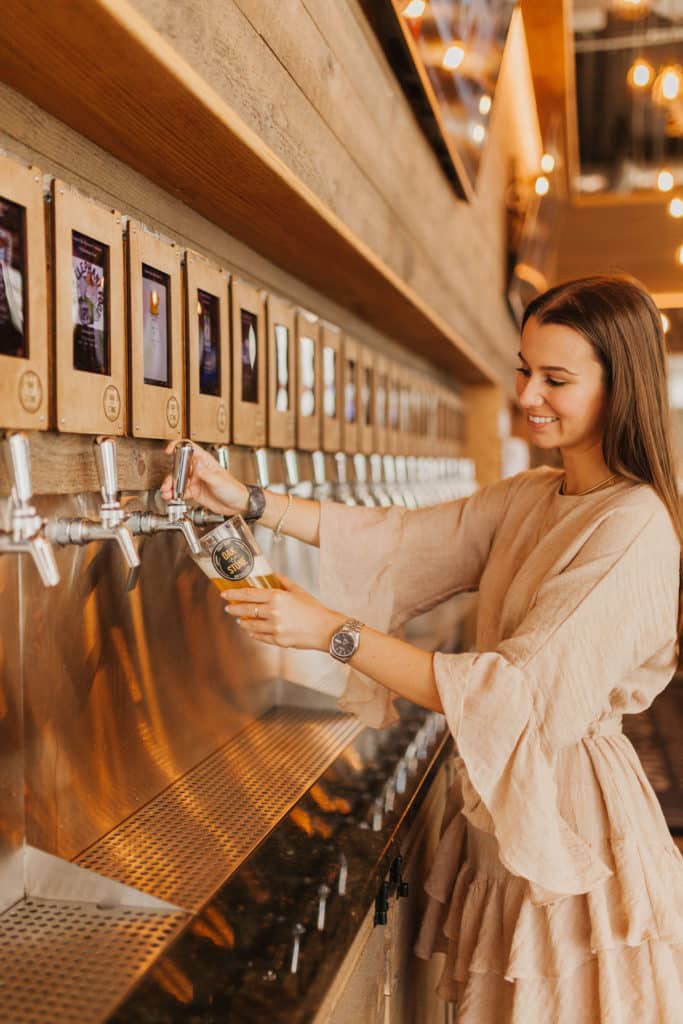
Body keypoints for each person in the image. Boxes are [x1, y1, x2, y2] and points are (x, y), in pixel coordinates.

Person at [162, 275, 683, 1022]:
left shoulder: (633, 525)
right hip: (509, 805)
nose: (527, 393)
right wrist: (246, 499)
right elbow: (402, 542)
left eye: (556, 379)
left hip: (569, 822)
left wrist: (332, 634)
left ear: (619, 385)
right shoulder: (537, 492)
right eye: (523, 368)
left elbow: (511, 692)